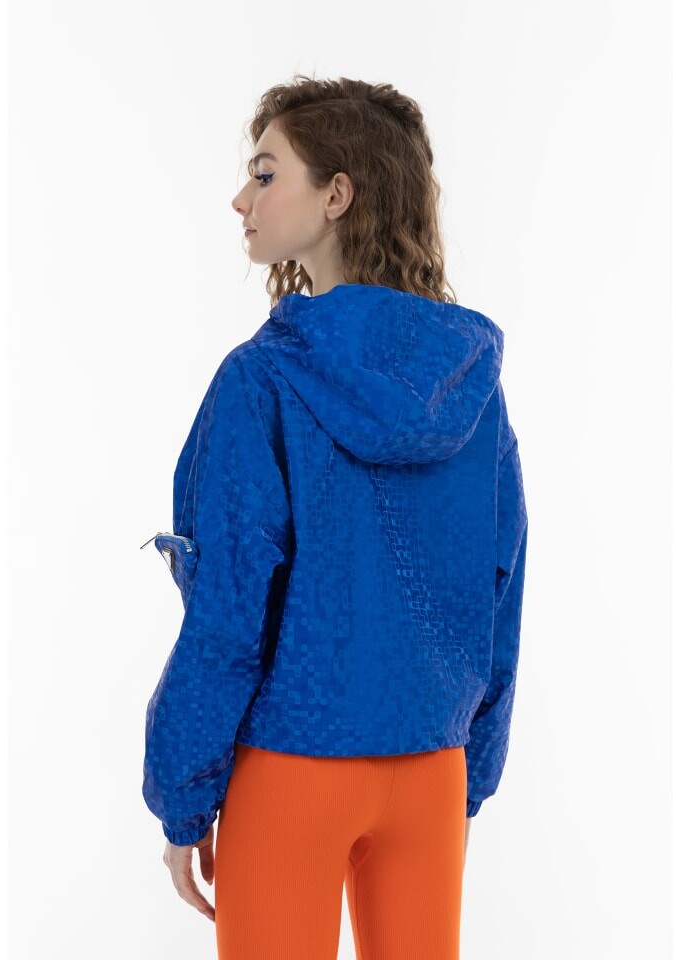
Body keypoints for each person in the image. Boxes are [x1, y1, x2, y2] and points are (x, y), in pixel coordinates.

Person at [142, 74, 529, 960]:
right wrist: (472, 769)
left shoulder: (263, 379)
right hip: (431, 773)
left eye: (265, 173)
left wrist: (183, 798)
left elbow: (229, 612)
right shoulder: (472, 387)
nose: (241, 198)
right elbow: (499, 591)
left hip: (295, 768)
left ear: (336, 195)